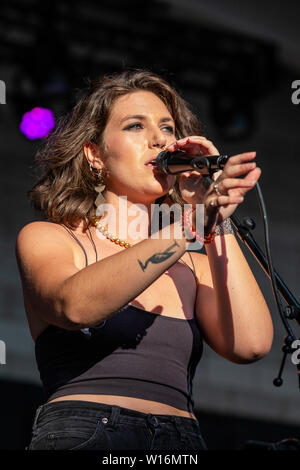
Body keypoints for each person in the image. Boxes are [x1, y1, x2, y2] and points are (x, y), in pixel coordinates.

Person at [15, 69, 273, 451]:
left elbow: (250, 345)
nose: (159, 139)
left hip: (182, 440)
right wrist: (190, 224)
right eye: (136, 126)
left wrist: (215, 218)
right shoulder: (51, 238)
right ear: (95, 154)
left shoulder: (192, 263)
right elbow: (74, 307)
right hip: (89, 432)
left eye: (167, 128)